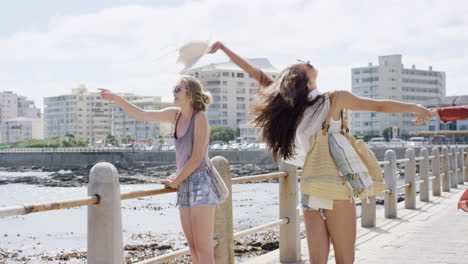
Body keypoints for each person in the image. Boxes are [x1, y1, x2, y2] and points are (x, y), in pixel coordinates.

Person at [209, 41, 431, 264]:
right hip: (335, 188)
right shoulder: (334, 99)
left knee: (318, 261)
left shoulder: (288, 107)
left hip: (310, 189)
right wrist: (416, 108)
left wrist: (224, 49)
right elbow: (379, 106)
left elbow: (256, 74)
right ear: (305, 83)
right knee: (345, 259)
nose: (305, 61)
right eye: (302, 65)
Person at [99, 75, 220, 264]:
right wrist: (116, 98)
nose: (174, 92)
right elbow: (142, 114)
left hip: (202, 184)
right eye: (174, 89)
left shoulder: (200, 118)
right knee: (193, 247)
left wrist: (175, 181)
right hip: (184, 184)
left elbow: (197, 158)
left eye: (178, 89)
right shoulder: (175, 115)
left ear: (190, 94)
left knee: (204, 248)